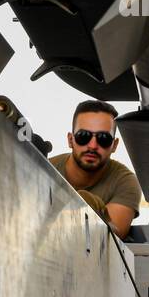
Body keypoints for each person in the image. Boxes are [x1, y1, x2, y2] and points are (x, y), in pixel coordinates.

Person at [50, 99, 142, 238]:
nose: (92, 145)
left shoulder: (125, 182)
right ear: (70, 140)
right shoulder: (44, 170)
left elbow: (111, 237)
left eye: (103, 138)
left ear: (114, 145)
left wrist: (91, 207)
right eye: (83, 136)